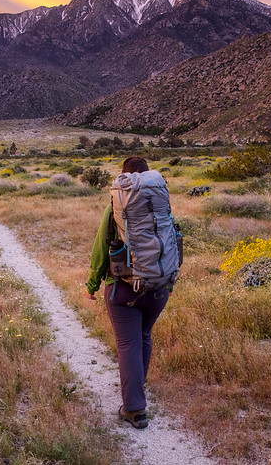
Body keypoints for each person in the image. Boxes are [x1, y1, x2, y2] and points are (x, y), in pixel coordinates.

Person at [85, 156, 171, 429]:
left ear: (124, 179)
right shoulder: (160, 205)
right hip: (158, 287)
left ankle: (134, 408)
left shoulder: (116, 207)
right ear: (147, 177)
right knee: (144, 336)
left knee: (128, 345)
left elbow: (101, 250)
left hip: (123, 290)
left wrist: (91, 285)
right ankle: (136, 389)